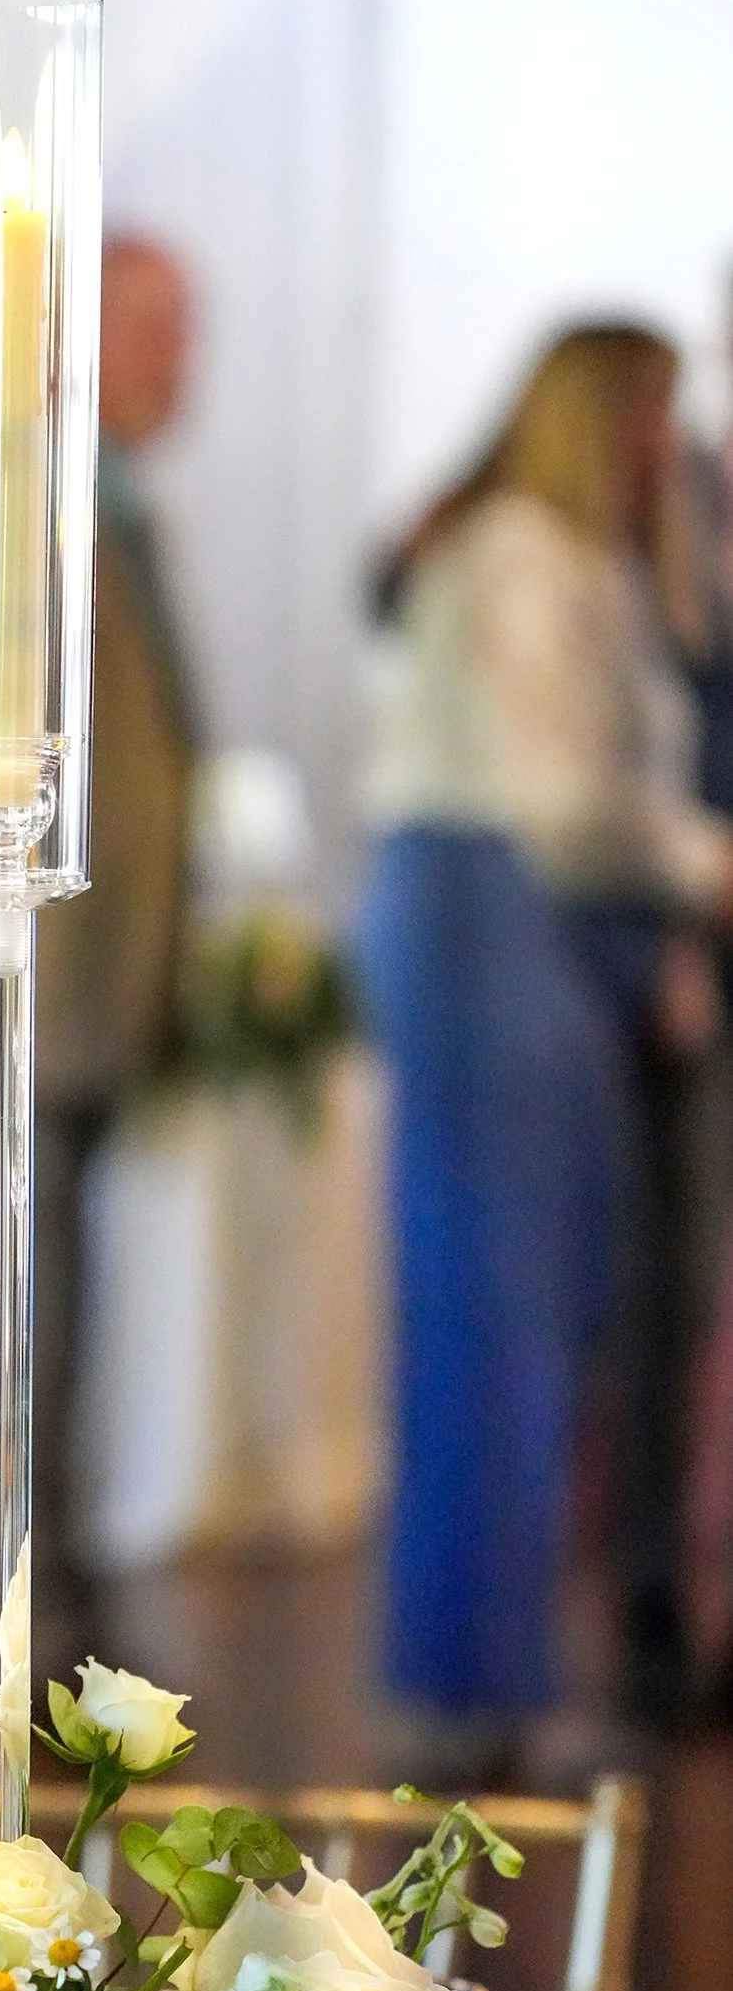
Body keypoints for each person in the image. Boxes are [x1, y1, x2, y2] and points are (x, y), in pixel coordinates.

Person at [360, 323, 733, 1732]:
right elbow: (565, 808)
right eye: (646, 416)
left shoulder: (578, 559)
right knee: (494, 1322)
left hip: (526, 930)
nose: (662, 449)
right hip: (487, 918)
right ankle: (471, 1685)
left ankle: (492, 1673)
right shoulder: (524, 554)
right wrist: (710, 867)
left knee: (533, 1314)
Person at [30, 233, 200, 1594]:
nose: (183, 364)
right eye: (158, 331)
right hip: (27, 975)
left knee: (64, 1295)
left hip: (96, 981)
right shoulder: (17, 501)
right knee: (17, 1303)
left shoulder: (115, 499)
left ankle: (49, 1561)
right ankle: (4, 1585)